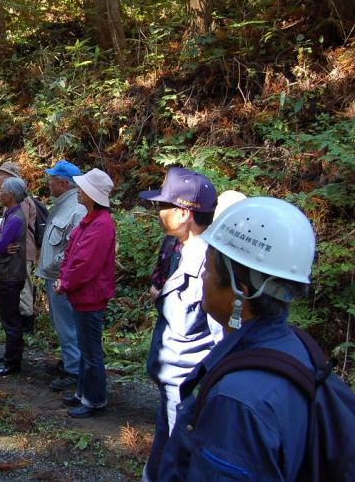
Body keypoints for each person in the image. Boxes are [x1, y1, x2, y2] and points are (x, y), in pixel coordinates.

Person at [158, 197, 355, 480]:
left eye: (209, 269)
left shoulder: (238, 401)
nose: (202, 277)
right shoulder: (297, 348)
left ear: (241, 290)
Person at [138, 167, 222, 481]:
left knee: (179, 455)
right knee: (164, 446)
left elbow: (222, 336)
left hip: (187, 383)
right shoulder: (179, 250)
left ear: (184, 213)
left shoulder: (210, 266)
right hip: (171, 381)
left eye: (164, 206)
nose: (158, 212)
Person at [55, 168, 116, 418]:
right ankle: (83, 392)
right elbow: (72, 251)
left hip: (91, 296)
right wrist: (64, 278)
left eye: (82, 188)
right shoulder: (89, 219)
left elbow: (85, 263)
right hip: (82, 296)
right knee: (85, 348)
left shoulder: (101, 224)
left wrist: (65, 283)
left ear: (92, 194)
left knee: (91, 351)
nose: (78, 191)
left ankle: (95, 399)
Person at [35, 160, 87, 392]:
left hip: (62, 279)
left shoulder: (77, 209)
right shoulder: (62, 204)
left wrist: (55, 268)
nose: (49, 183)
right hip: (54, 276)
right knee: (62, 323)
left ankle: (73, 370)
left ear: (64, 183)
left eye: (52, 179)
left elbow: (71, 251)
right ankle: (69, 361)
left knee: (67, 324)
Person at [0, 177, 28, 376]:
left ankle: (12, 361)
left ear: (10, 196)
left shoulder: (14, 219)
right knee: (9, 317)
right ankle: (10, 354)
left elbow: (0, 246)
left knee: (10, 318)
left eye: (2, 191)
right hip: (10, 272)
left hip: (10, 274)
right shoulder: (10, 214)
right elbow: (2, 243)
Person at [0, 162, 38, 334]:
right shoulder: (10, 202)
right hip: (16, 249)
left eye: (2, 174)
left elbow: (20, 225)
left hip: (22, 251)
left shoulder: (22, 201)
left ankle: (25, 325)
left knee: (24, 286)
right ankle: (17, 325)